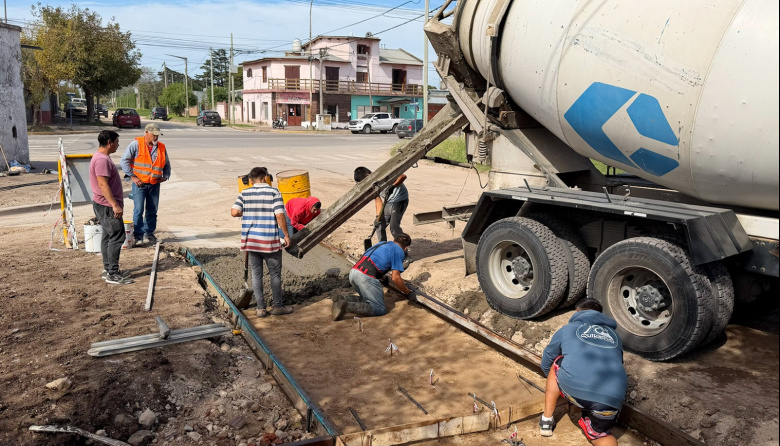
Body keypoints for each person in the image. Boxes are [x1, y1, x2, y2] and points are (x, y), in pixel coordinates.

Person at [540, 298, 627, 446]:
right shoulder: (615, 337)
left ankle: (546, 421)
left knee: (557, 363)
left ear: (578, 312)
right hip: (612, 401)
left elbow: (547, 358)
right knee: (601, 436)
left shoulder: (567, 329)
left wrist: (556, 384)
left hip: (577, 390)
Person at [231, 167, 293, 317]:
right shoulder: (274, 192)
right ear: (265, 178)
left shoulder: (244, 193)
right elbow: (279, 215)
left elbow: (235, 212)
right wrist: (286, 235)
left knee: (256, 275)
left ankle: (260, 308)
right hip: (269, 241)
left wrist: (249, 211)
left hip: (252, 242)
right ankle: (278, 306)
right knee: (275, 274)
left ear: (251, 180)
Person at [332, 233, 413, 320]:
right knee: (379, 309)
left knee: (367, 300)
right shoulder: (399, 251)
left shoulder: (382, 243)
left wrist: (383, 278)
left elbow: (374, 262)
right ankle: (347, 306)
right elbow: (395, 278)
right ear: (406, 248)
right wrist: (408, 292)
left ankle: (343, 299)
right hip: (365, 277)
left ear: (394, 240)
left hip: (354, 272)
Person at [90, 130, 133, 285]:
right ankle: (112, 274)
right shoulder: (102, 160)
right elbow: (102, 184)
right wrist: (114, 205)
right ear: (109, 142)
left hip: (103, 204)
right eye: (116, 142)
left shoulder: (101, 157)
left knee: (108, 236)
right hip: (107, 205)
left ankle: (108, 269)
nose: (118, 145)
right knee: (117, 236)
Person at [120, 123, 171, 247]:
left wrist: (165, 176)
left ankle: (149, 233)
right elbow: (124, 161)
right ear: (146, 133)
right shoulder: (136, 145)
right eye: (154, 135)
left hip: (154, 184)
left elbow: (167, 164)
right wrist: (133, 177)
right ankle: (138, 236)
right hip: (140, 184)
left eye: (157, 135)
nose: (156, 138)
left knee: (152, 210)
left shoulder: (161, 147)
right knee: (138, 210)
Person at [353, 167, 408, 243]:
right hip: (388, 202)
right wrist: (377, 217)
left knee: (394, 228)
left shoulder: (383, 173)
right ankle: (382, 246)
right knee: (379, 226)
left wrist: (393, 186)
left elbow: (403, 176)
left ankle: (403, 246)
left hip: (399, 200)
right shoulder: (371, 185)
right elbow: (378, 200)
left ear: (367, 175)